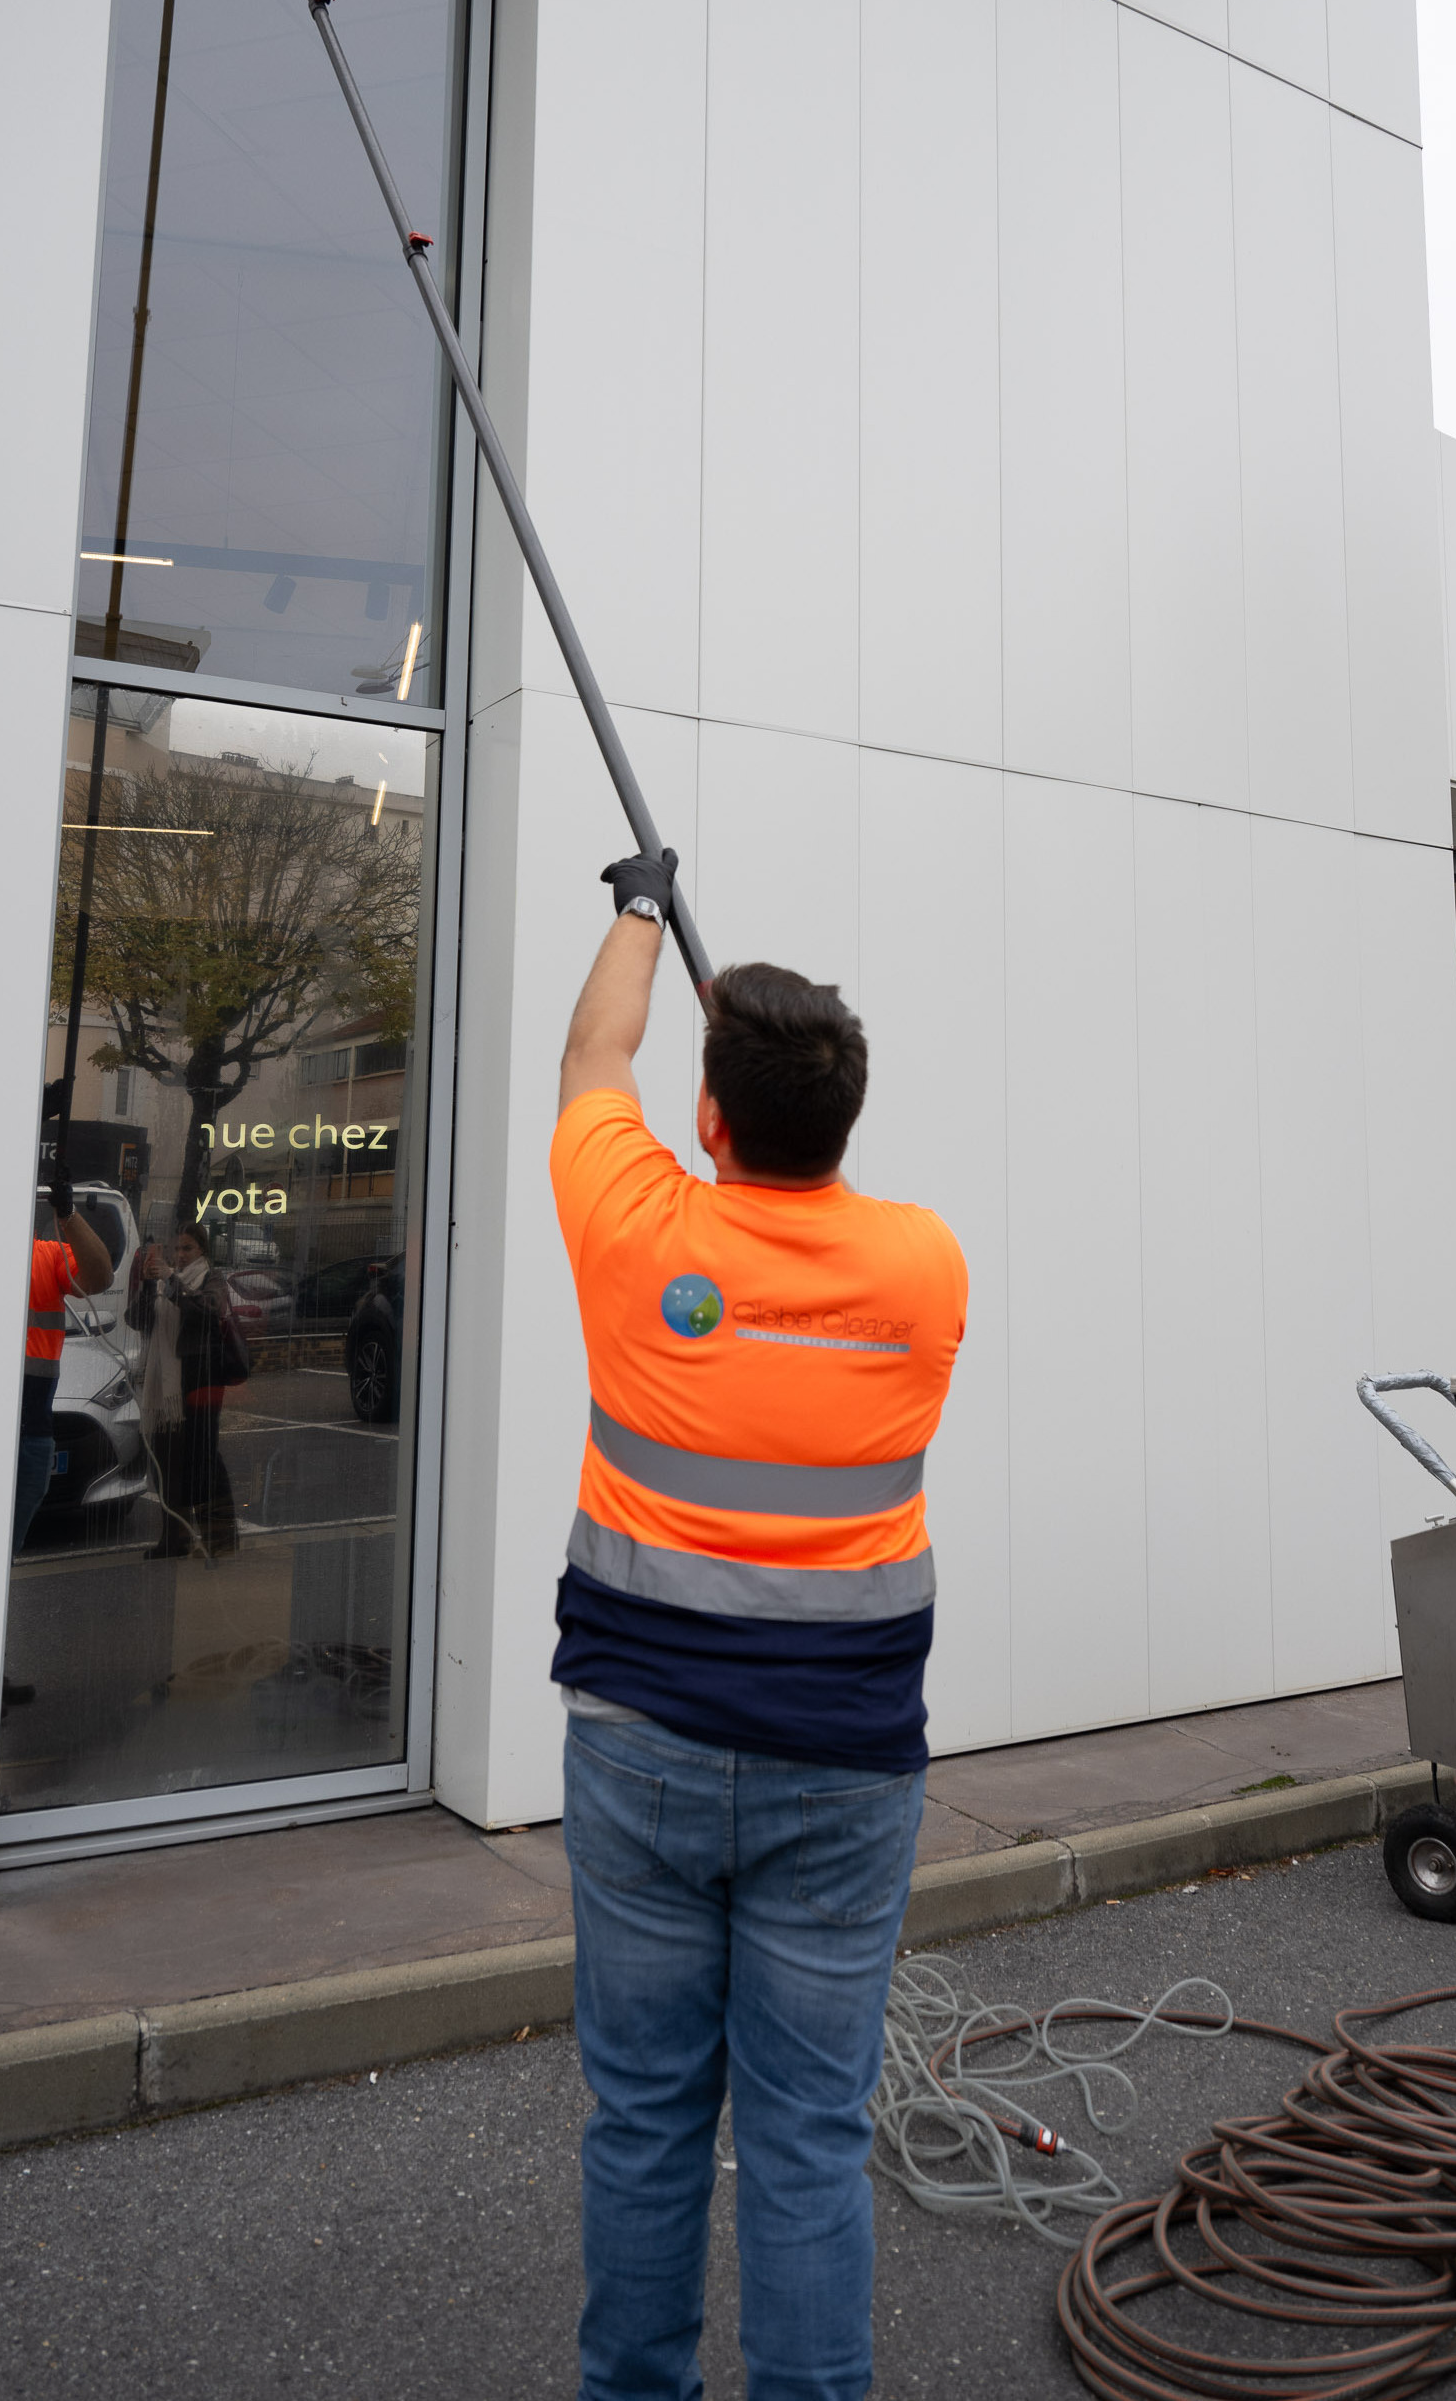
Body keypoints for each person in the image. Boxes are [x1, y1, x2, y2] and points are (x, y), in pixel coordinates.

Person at [550, 848, 968, 2401]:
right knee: (805, 2135)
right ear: (842, 1118)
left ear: (709, 1118)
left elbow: (598, 1056)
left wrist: (640, 907)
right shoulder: (922, 1265)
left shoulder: (638, 1229)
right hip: (845, 1765)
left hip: (645, 1749)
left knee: (647, 2115)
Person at [6, 1176, 115, 1712]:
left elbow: (99, 1276)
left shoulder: (44, 1256)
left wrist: (69, 1215)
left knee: (1, 1560)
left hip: (29, 1435)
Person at [130, 1219, 243, 1558]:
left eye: (187, 1248)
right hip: (167, 1391)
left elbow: (205, 1312)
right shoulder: (167, 1285)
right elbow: (136, 1320)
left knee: (203, 1460)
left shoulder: (212, 1279)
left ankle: (221, 1537)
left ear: (202, 1250)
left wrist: (169, 1279)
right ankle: (174, 1538)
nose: (179, 1255)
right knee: (166, 1461)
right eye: (176, 1249)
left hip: (200, 1384)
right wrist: (150, 1286)